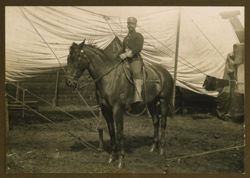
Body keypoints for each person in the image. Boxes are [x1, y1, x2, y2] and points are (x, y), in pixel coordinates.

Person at [119, 17, 144, 103]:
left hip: (135, 60)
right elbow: (122, 49)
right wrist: (120, 55)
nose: (130, 25)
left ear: (135, 25)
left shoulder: (139, 36)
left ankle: (138, 95)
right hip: (126, 61)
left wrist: (127, 54)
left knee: (136, 72)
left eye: (132, 24)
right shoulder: (125, 38)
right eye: (129, 24)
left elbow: (138, 48)